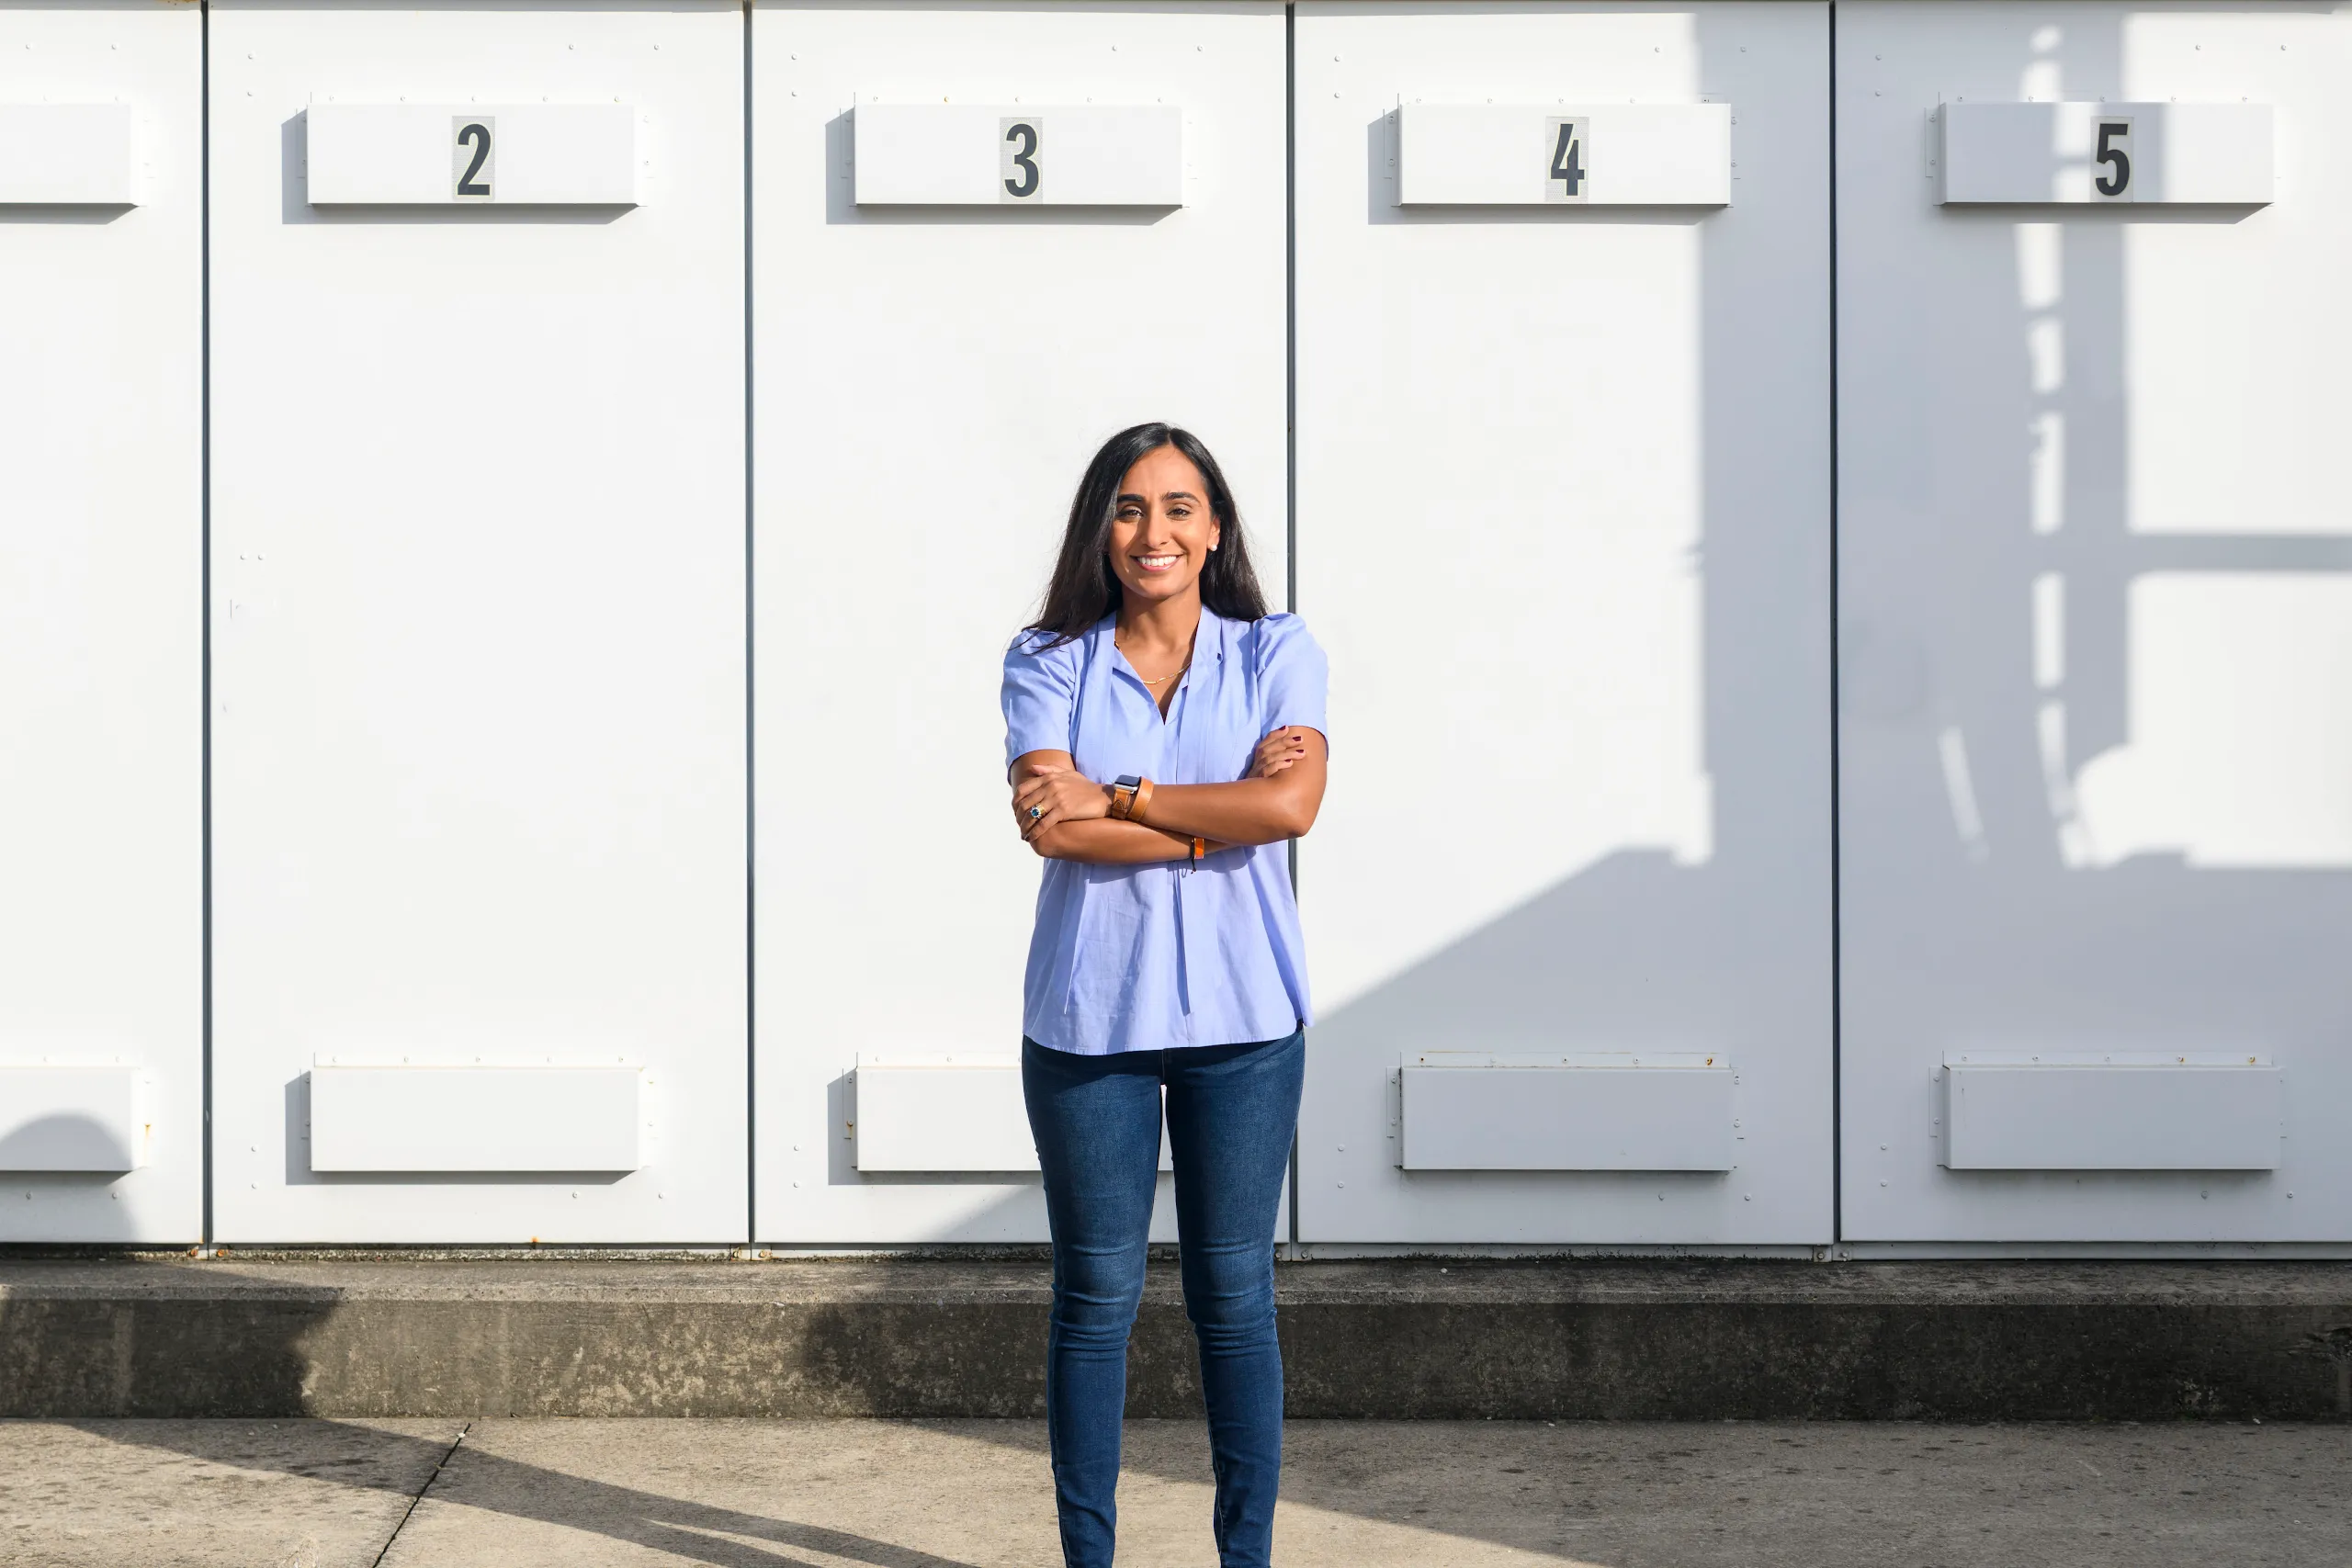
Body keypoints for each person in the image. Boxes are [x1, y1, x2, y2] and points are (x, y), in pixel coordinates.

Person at [1001, 422, 1329, 1568]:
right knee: (1094, 1303)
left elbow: (1288, 813)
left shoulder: (1275, 651)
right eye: (1130, 507)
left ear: (1215, 529)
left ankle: (1247, 1562)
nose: (1155, 532)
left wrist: (1127, 798)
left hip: (1245, 1026)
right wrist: (1205, 825)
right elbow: (1051, 828)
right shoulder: (1047, 659)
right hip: (1090, 1025)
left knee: (1233, 1303)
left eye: (1179, 507)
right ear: (1101, 529)